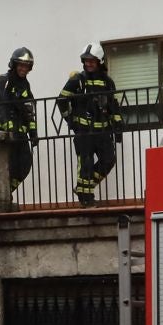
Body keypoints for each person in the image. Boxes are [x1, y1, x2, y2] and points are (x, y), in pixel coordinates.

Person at [56, 42, 122, 204]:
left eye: (92, 60)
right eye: (86, 60)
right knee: (85, 164)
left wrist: (118, 126)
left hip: (103, 131)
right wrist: (70, 119)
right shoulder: (77, 80)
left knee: (109, 160)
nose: (88, 63)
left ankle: (83, 187)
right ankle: (86, 198)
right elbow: (62, 100)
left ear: (99, 61)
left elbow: (113, 106)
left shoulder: (107, 82)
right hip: (84, 131)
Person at [0, 46, 38, 195]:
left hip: (20, 134)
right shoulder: (3, 80)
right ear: (14, 64)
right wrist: (8, 128)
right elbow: (0, 105)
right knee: (9, 165)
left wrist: (33, 132)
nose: (23, 68)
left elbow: (29, 110)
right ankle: (1, 194)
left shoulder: (25, 85)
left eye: (26, 66)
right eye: (21, 65)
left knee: (25, 165)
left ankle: (5, 192)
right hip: (5, 134)